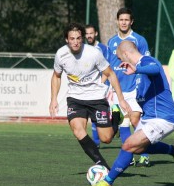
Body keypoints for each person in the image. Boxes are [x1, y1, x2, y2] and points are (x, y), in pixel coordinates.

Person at [90, 41, 174, 186]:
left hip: (163, 118)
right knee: (139, 149)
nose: (120, 62)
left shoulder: (146, 61)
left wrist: (137, 68)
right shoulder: (139, 72)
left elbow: (155, 68)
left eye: (120, 58)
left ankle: (107, 182)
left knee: (128, 145)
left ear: (126, 54)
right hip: (150, 118)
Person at [49, 22, 132, 170]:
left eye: (78, 38)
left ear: (82, 38)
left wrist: (121, 99)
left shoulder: (93, 53)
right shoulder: (61, 54)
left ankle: (115, 119)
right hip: (75, 99)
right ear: (66, 40)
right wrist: (53, 99)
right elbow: (56, 76)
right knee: (78, 130)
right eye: (72, 38)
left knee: (106, 139)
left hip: (97, 98)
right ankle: (103, 166)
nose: (76, 42)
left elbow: (111, 74)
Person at [107, 7, 151, 167]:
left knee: (135, 118)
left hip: (134, 87)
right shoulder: (112, 42)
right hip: (116, 89)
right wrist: (106, 85)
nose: (124, 22)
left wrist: (143, 83)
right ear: (117, 21)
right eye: (121, 19)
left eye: (127, 20)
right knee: (123, 121)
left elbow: (146, 62)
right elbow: (109, 66)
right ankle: (130, 155)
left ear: (131, 22)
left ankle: (145, 154)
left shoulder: (139, 40)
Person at [85, 24, 108, 148]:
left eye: (91, 33)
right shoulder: (83, 49)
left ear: (96, 34)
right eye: (87, 34)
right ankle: (96, 143)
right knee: (93, 114)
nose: (89, 36)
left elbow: (107, 68)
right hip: (89, 86)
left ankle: (115, 127)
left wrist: (101, 83)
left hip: (103, 86)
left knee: (102, 114)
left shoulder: (103, 48)